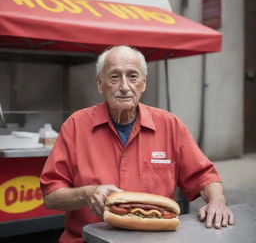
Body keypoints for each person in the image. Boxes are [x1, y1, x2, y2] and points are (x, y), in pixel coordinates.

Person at [40, 45, 234, 243]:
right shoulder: (76, 125)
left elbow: (204, 176)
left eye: (132, 76)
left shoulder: (170, 125)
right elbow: (51, 196)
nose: (124, 86)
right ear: (100, 84)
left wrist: (217, 201)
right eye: (114, 77)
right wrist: (86, 194)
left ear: (143, 83)